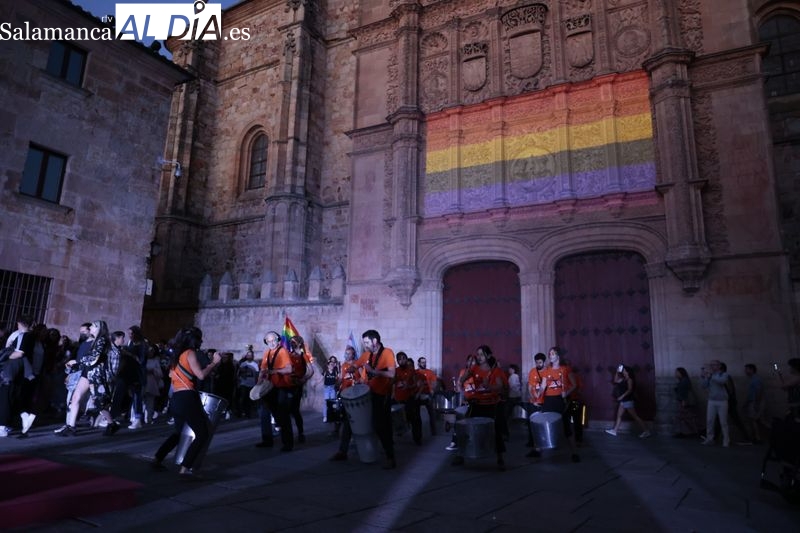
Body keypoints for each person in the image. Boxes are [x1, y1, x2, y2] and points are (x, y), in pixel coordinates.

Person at [152, 326, 221, 476]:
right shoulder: (190, 353)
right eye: (199, 338)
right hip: (187, 396)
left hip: (176, 397)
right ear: (193, 340)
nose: (201, 341)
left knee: (179, 432)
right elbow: (201, 375)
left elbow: (172, 375)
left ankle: (158, 458)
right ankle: (185, 468)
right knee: (202, 434)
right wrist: (214, 363)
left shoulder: (176, 355)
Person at [452, 345, 506, 470]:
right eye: (478, 354)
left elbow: (500, 387)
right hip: (476, 403)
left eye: (482, 354)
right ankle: (460, 455)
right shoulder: (474, 368)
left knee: (495, 431)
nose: (479, 357)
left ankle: (500, 458)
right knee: (465, 428)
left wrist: (489, 386)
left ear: (488, 355)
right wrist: (466, 373)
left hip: (491, 405)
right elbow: (462, 380)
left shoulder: (495, 370)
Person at [59, 320, 112, 437]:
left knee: (99, 402)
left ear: (98, 328)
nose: (91, 327)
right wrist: (75, 366)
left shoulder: (101, 340)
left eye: (93, 326)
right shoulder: (95, 341)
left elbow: (94, 358)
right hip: (87, 372)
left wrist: (77, 362)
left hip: (95, 375)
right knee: (75, 397)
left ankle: (111, 423)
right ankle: (71, 426)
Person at [528, 347, 580, 463]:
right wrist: (537, 395)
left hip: (560, 400)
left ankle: (574, 453)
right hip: (548, 400)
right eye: (549, 354)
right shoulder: (547, 370)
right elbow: (543, 386)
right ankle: (538, 449)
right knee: (544, 423)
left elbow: (574, 385)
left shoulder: (565, 369)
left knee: (566, 426)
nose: (550, 356)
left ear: (558, 356)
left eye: (552, 354)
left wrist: (566, 393)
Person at [354, 329, 397, 469]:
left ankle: (390, 456)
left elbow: (392, 374)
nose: (365, 345)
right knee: (352, 420)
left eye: (367, 342)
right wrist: (351, 368)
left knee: (382, 426)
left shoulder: (387, 353)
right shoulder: (367, 354)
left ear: (375, 341)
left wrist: (373, 371)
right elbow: (356, 364)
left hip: (382, 396)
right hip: (368, 394)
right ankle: (344, 451)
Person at [256, 331, 294, 451]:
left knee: (282, 415)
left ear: (278, 340)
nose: (271, 343)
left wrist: (275, 371)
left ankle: (287, 443)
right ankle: (267, 440)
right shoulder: (267, 352)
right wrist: (258, 384)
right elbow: (262, 370)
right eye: (269, 341)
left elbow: (289, 369)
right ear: (266, 342)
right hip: (268, 388)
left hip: (281, 387)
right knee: (264, 414)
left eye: (273, 340)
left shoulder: (283, 352)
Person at [0, 316, 36, 437]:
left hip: (12, 368)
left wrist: (4, 356)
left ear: (20, 323)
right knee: (12, 395)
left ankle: (2, 427)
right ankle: (24, 416)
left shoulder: (23, 335)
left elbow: (19, 353)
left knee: (5, 395)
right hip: (18, 369)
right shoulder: (30, 336)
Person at [329, 344, 366, 461]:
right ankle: (343, 450)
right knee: (346, 421)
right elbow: (340, 378)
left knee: (356, 422)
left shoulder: (357, 364)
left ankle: (362, 446)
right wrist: (337, 383)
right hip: (345, 396)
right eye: (346, 353)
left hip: (355, 397)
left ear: (353, 354)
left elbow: (363, 379)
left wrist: (356, 380)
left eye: (349, 353)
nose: (346, 355)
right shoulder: (343, 365)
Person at [605, 364, 650, 438]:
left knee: (635, 417)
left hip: (628, 400)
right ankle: (614, 431)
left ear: (628, 372)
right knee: (619, 416)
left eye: (625, 370)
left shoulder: (630, 380)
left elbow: (629, 390)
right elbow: (615, 381)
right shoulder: (623, 379)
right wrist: (617, 372)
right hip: (623, 401)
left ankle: (646, 431)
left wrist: (621, 396)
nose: (623, 371)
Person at [288, 335, 314, 443]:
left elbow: (311, 371)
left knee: (295, 410)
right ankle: (286, 433)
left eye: (294, 342)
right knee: (286, 409)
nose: (292, 344)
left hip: (297, 385)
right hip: (287, 384)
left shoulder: (303, 356)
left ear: (299, 343)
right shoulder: (288, 355)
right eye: (291, 342)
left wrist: (303, 380)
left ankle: (300, 432)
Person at [393, 351, 422, 445]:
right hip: (398, 399)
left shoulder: (411, 370)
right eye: (399, 359)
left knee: (415, 419)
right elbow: (391, 384)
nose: (402, 361)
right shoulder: (395, 371)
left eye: (403, 358)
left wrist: (408, 386)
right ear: (397, 361)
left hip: (410, 398)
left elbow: (417, 384)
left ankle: (417, 439)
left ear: (406, 359)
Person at [701, 360, 730, 447]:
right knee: (709, 421)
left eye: (714, 365)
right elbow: (703, 386)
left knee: (723, 422)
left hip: (722, 401)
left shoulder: (724, 374)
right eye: (711, 365)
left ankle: (726, 440)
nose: (712, 366)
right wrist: (704, 377)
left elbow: (722, 381)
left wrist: (711, 376)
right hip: (711, 401)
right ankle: (709, 439)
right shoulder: (710, 375)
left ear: (719, 366)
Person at [525, 352, 547, 447]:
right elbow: (530, 387)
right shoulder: (532, 371)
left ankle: (544, 440)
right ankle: (532, 441)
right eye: (536, 362)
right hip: (533, 402)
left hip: (544, 402)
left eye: (540, 362)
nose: (538, 364)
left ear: (544, 362)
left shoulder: (547, 371)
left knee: (543, 423)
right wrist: (533, 399)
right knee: (531, 422)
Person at [741, 363, 765, 444]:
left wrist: (756, 403)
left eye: (746, 369)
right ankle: (756, 437)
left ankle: (758, 438)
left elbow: (758, 391)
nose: (745, 371)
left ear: (751, 370)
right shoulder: (753, 379)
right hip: (753, 402)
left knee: (755, 420)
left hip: (755, 402)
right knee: (754, 420)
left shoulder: (756, 379)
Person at [673, 367, 699, 437]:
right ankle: (685, 432)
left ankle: (692, 431)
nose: (675, 374)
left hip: (683, 401)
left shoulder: (684, 381)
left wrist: (683, 401)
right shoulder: (683, 380)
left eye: (677, 372)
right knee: (684, 417)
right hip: (682, 401)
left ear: (681, 373)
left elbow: (684, 392)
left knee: (685, 417)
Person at [416, 356, 438, 435]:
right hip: (418, 394)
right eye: (422, 362)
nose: (424, 364)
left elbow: (434, 383)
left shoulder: (430, 372)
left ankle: (433, 431)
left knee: (432, 413)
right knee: (415, 414)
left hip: (428, 394)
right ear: (418, 363)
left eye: (425, 362)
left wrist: (432, 390)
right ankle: (417, 432)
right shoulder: (415, 372)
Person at [235, 348, 259, 418]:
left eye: (250, 355)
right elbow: (238, 374)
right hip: (244, 384)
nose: (249, 356)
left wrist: (257, 385)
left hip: (252, 384)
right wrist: (238, 381)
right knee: (242, 399)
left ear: (253, 356)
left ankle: (248, 413)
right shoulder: (243, 364)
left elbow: (257, 375)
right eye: (248, 355)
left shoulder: (255, 364)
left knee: (249, 400)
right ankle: (240, 412)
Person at [322, 356, 339, 423]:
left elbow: (337, 379)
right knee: (326, 402)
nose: (331, 365)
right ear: (328, 365)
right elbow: (322, 378)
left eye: (333, 364)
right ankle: (325, 416)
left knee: (333, 402)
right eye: (330, 364)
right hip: (327, 388)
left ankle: (333, 416)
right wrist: (317, 383)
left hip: (332, 388)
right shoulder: (325, 371)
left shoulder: (335, 371)